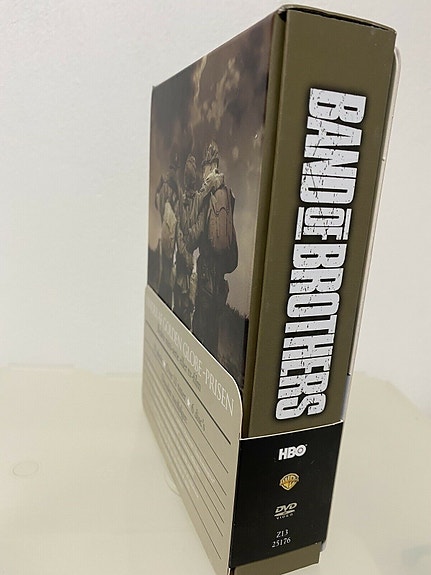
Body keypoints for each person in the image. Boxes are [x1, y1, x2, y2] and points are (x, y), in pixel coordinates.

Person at [186, 141, 238, 359]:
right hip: (220, 284)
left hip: (206, 279)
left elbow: (192, 239)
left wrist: (202, 192)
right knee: (213, 342)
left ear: (208, 167)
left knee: (199, 339)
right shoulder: (228, 195)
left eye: (203, 168)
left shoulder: (208, 197)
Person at [173, 154, 197, 328]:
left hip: (188, 263)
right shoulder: (182, 201)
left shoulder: (195, 200)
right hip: (183, 262)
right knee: (181, 302)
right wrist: (184, 251)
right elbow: (178, 230)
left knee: (187, 304)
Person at [155, 152, 179, 307]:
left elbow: (157, 203)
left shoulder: (165, 182)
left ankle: (162, 297)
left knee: (165, 266)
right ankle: (165, 299)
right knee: (167, 266)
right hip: (168, 228)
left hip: (166, 226)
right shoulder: (172, 182)